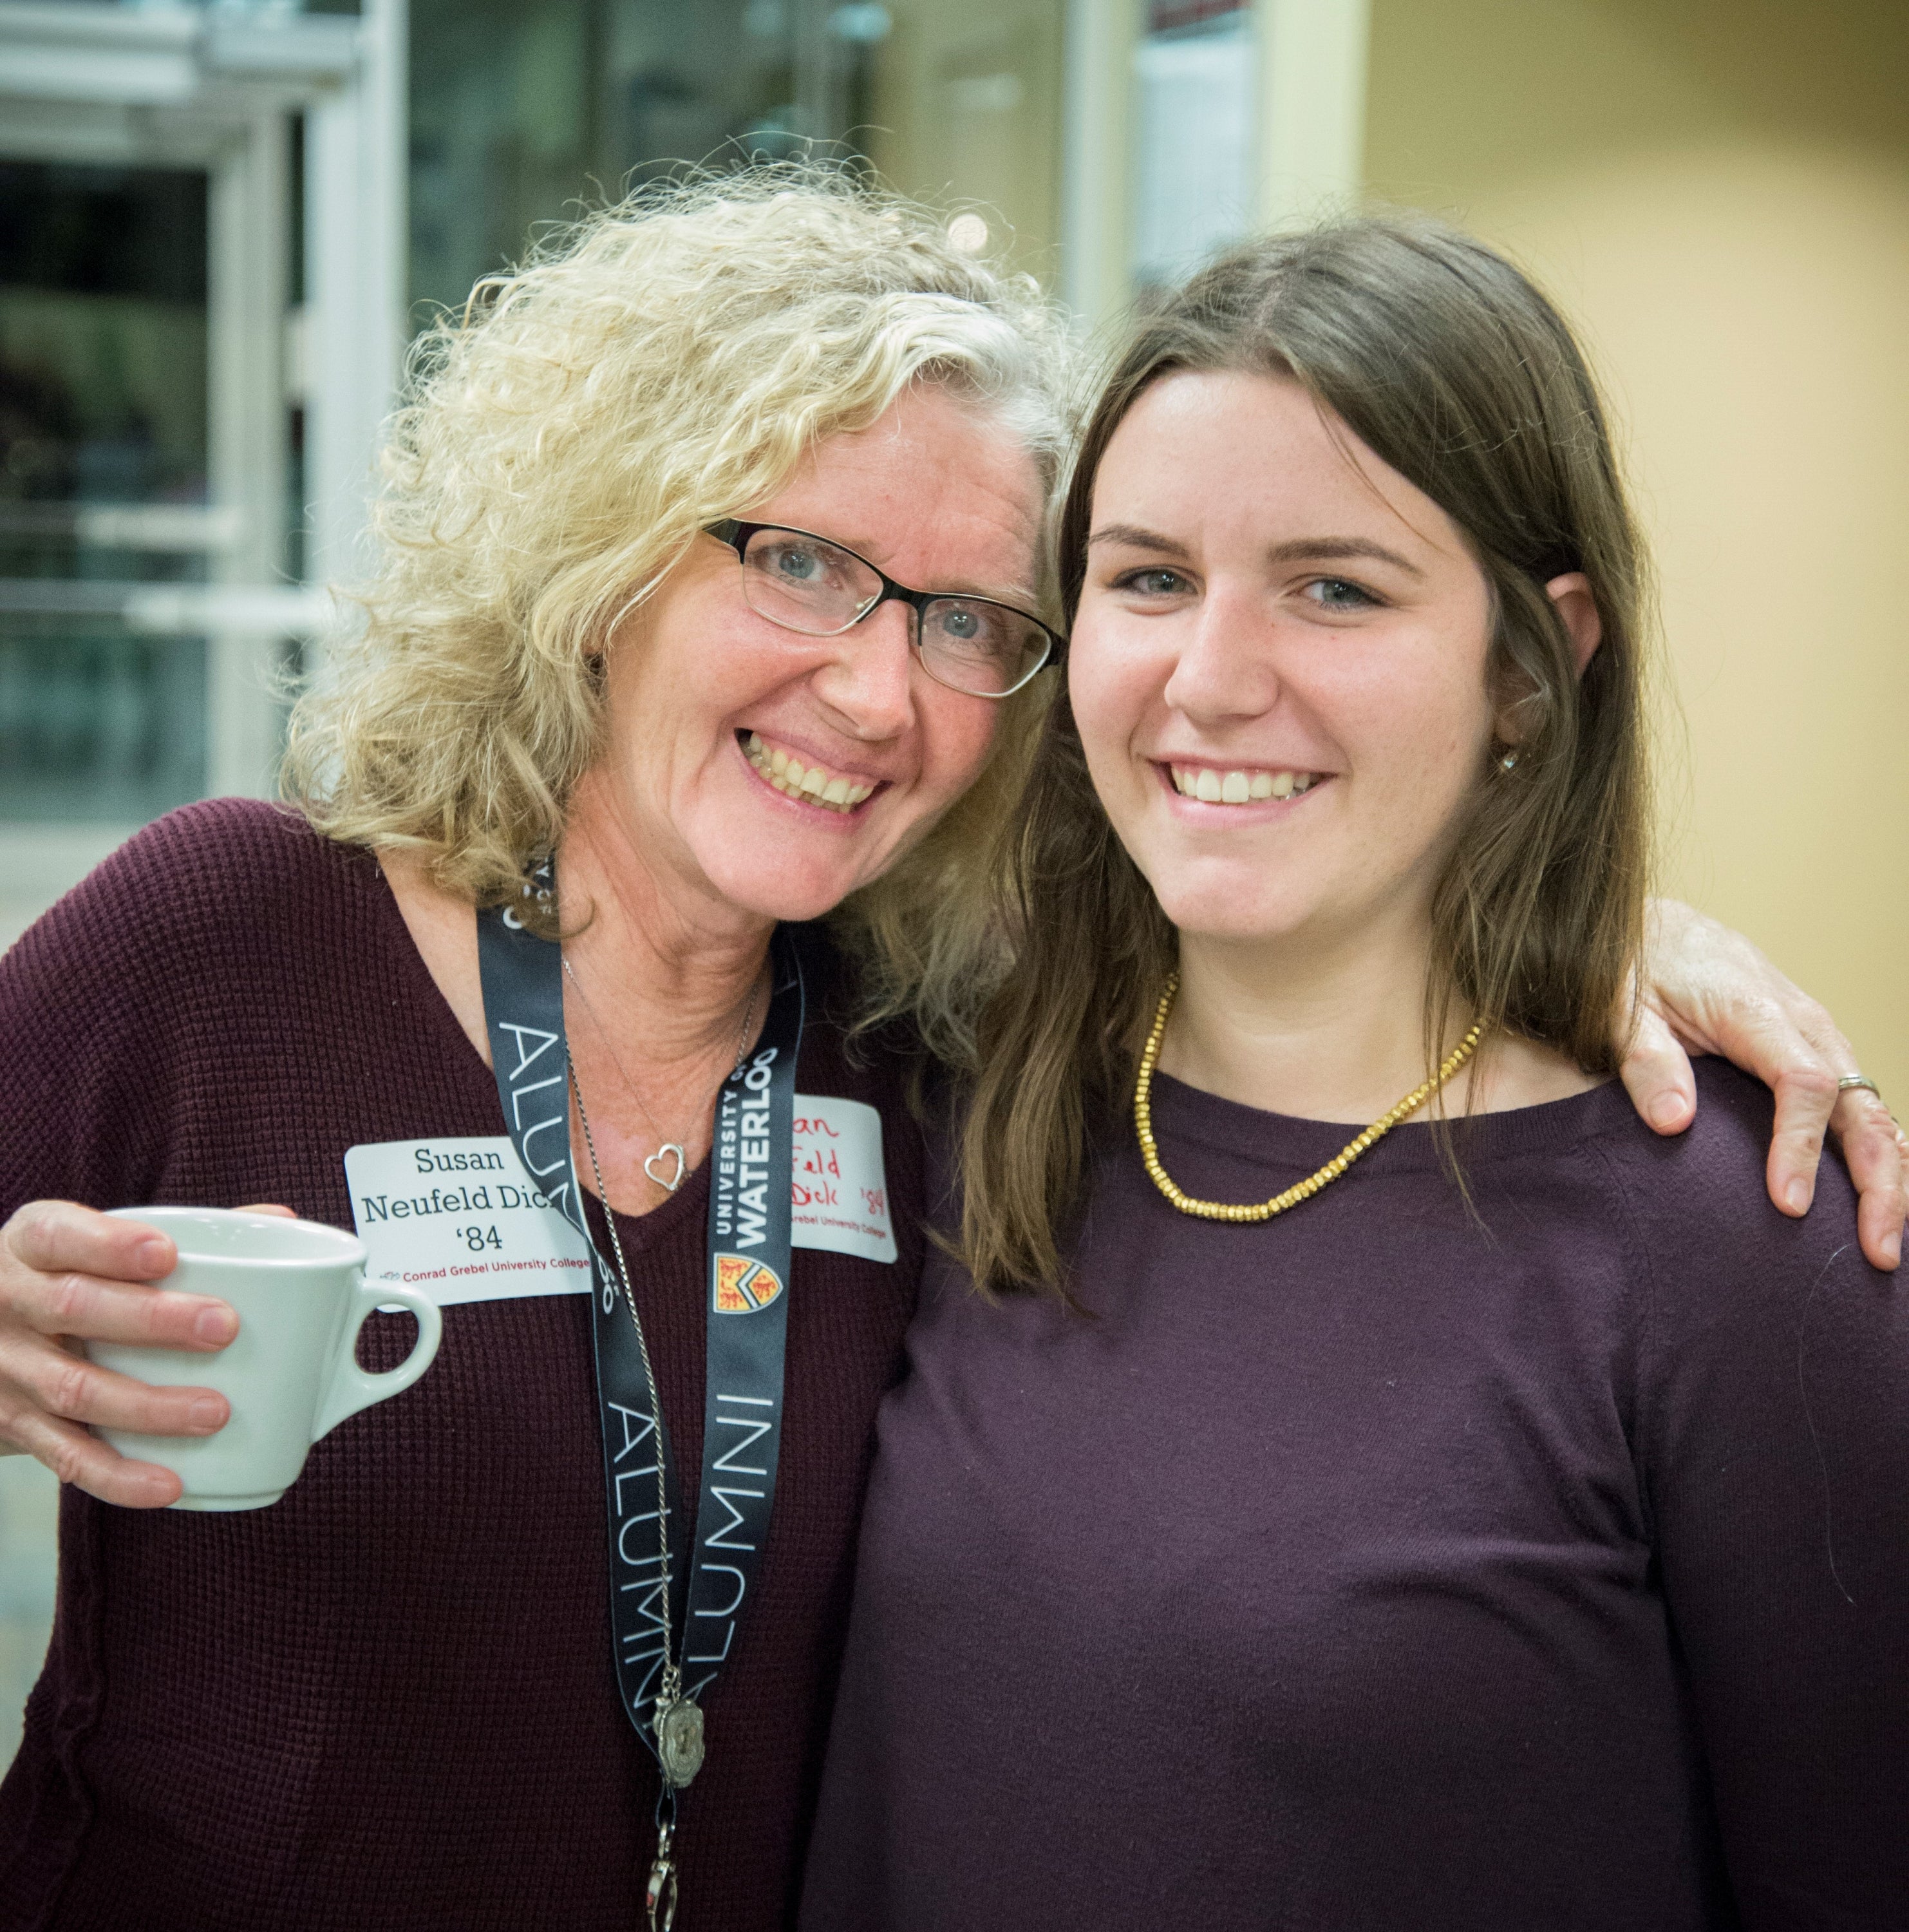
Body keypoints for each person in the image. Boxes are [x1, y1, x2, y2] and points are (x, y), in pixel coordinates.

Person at [0, 173, 1896, 1930]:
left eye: (974, 619)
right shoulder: (232, 941)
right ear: (602, 556)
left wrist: (1611, 935)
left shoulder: (924, 1072)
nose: (874, 687)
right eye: (804, 563)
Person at [802, 214, 1909, 1929]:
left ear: (1536, 668)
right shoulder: (929, 1093)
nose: (1211, 680)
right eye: (1150, 578)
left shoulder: (1742, 1243)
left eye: (1336, 588)